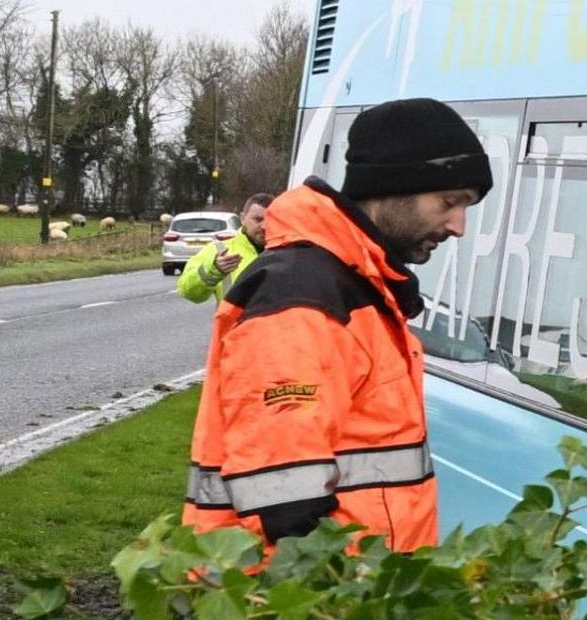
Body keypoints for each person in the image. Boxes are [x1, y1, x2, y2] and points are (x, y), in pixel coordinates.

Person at [185, 100, 495, 555]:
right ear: (390, 187)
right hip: (300, 612)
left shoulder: (355, 288)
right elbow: (287, 507)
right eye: (449, 203)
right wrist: (353, 614)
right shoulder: (306, 296)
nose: (458, 226)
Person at [174, 192, 275, 304]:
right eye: (258, 219)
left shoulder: (290, 251)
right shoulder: (219, 250)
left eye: (271, 220)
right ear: (242, 218)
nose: (264, 226)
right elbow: (188, 292)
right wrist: (213, 271)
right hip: (236, 321)